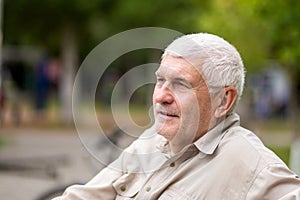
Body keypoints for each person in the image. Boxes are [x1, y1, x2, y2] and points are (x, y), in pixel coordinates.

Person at [54, 33, 300, 199]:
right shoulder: (151, 141)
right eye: (160, 80)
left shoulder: (253, 165)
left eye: (181, 84)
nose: (161, 96)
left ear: (224, 100)